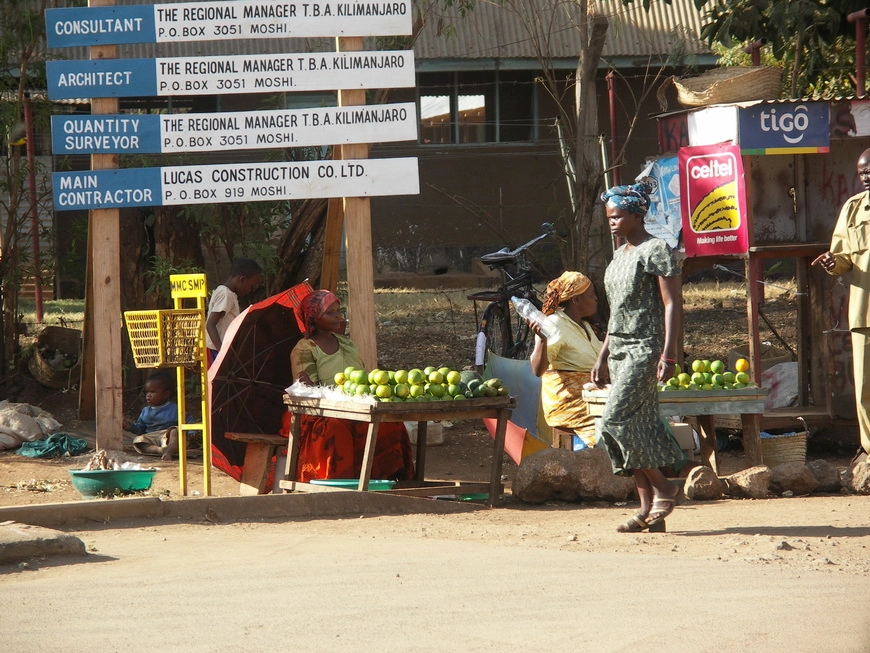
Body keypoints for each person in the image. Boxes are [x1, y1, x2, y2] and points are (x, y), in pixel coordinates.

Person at [592, 181, 685, 533]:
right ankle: (648, 511)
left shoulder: (656, 249)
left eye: (617, 217)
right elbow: (615, 312)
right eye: (609, 218)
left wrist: (669, 354)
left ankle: (665, 487)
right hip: (618, 350)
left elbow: (672, 303)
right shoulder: (620, 255)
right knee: (638, 428)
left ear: (635, 215)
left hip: (645, 349)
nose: (612, 223)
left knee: (614, 421)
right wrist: (602, 355)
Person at [285, 289, 415, 482]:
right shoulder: (305, 348)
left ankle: (386, 479)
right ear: (313, 317)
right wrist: (338, 400)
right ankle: (338, 482)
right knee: (336, 427)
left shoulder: (347, 343)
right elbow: (307, 389)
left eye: (339, 310)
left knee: (391, 423)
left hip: (355, 405)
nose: (338, 316)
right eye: (330, 312)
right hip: (322, 412)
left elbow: (361, 377)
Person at [812, 147, 870, 464]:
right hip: (864, 312)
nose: (867, 176)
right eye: (862, 172)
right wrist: (832, 262)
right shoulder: (852, 209)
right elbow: (842, 257)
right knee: (864, 389)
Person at [528, 271, 603, 447]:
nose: (596, 299)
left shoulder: (585, 325)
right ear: (576, 300)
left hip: (591, 397)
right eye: (591, 295)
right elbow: (537, 370)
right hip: (569, 404)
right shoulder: (554, 324)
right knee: (615, 420)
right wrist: (542, 339)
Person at [205, 258, 263, 363]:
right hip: (215, 350)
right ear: (241, 279)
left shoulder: (228, 293)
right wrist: (222, 353)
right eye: (251, 286)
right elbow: (210, 324)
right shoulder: (226, 295)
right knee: (218, 379)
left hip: (217, 349)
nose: (250, 290)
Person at [123, 371, 179, 461]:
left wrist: (192, 432)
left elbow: (188, 420)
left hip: (168, 436)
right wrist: (130, 426)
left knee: (174, 431)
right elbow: (140, 428)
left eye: (152, 392)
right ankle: (160, 450)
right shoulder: (145, 411)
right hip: (152, 438)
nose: (148, 395)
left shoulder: (174, 408)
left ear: (166, 394)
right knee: (138, 440)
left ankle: (170, 450)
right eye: (147, 392)